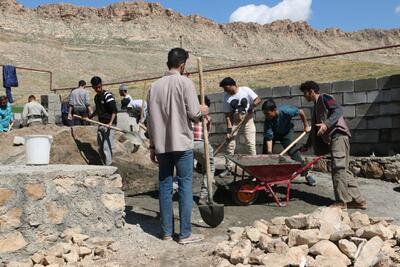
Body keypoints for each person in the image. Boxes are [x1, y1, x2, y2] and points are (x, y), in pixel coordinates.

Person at [147, 47, 208, 244]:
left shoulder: (154, 86)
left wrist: (152, 146)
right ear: (182, 65)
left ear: (168, 64)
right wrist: (203, 110)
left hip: (162, 145)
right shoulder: (185, 82)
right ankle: (185, 234)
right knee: (184, 186)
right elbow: (194, 114)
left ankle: (166, 232)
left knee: (165, 187)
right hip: (182, 143)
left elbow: (149, 121)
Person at [299, 81, 367, 210]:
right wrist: (307, 146)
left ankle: (341, 202)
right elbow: (314, 130)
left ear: (311, 91)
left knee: (338, 169)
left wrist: (326, 124)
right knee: (343, 170)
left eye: (305, 93)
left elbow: (338, 111)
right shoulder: (316, 108)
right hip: (334, 140)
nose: (304, 96)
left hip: (339, 137)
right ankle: (359, 200)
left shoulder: (326, 98)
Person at [262, 98, 316, 186]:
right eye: (264, 114)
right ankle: (267, 177)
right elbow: (269, 138)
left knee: (293, 152)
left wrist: (306, 125)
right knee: (266, 155)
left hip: (286, 133)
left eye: (267, 113)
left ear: (274, 110)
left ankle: (307, 174)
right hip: (273, 135)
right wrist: (269, 153)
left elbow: (301, 112)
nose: (266, 116)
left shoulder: (286, 111)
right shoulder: (267, 120)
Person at [219, 77, 261, 178]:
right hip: (235, 121)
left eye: (225, 88)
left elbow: (258, 99)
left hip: (248, 120)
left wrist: (252, 106)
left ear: (232, 85)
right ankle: (228, 168)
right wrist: (229, 131)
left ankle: (255, 170)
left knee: (250, 145)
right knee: (230, 145)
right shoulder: (226, 97)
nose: (225, 90)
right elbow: (228, 115)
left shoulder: (245, 90)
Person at [89, 76, 118, 166]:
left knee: (106, 146)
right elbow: (98, 110)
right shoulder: (96, 98)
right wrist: (90, 116)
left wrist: (110, 123)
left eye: (99, 87)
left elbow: (114, 111)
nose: (98, 89)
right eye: (95, 88)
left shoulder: (108, 96)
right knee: (101, 146)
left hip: (109, 124)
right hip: (101, 124)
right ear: (93, 87)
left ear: (101, 85)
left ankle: (109, 165)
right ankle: (103, 164)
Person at [192, 95, 215, 205]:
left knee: (183, 170)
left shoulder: (187, 114)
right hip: (200, 143)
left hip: (184, 144)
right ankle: (204, 195)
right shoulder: (207, 118)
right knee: (210, 168)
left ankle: (176, 189)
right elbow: (207, 136)